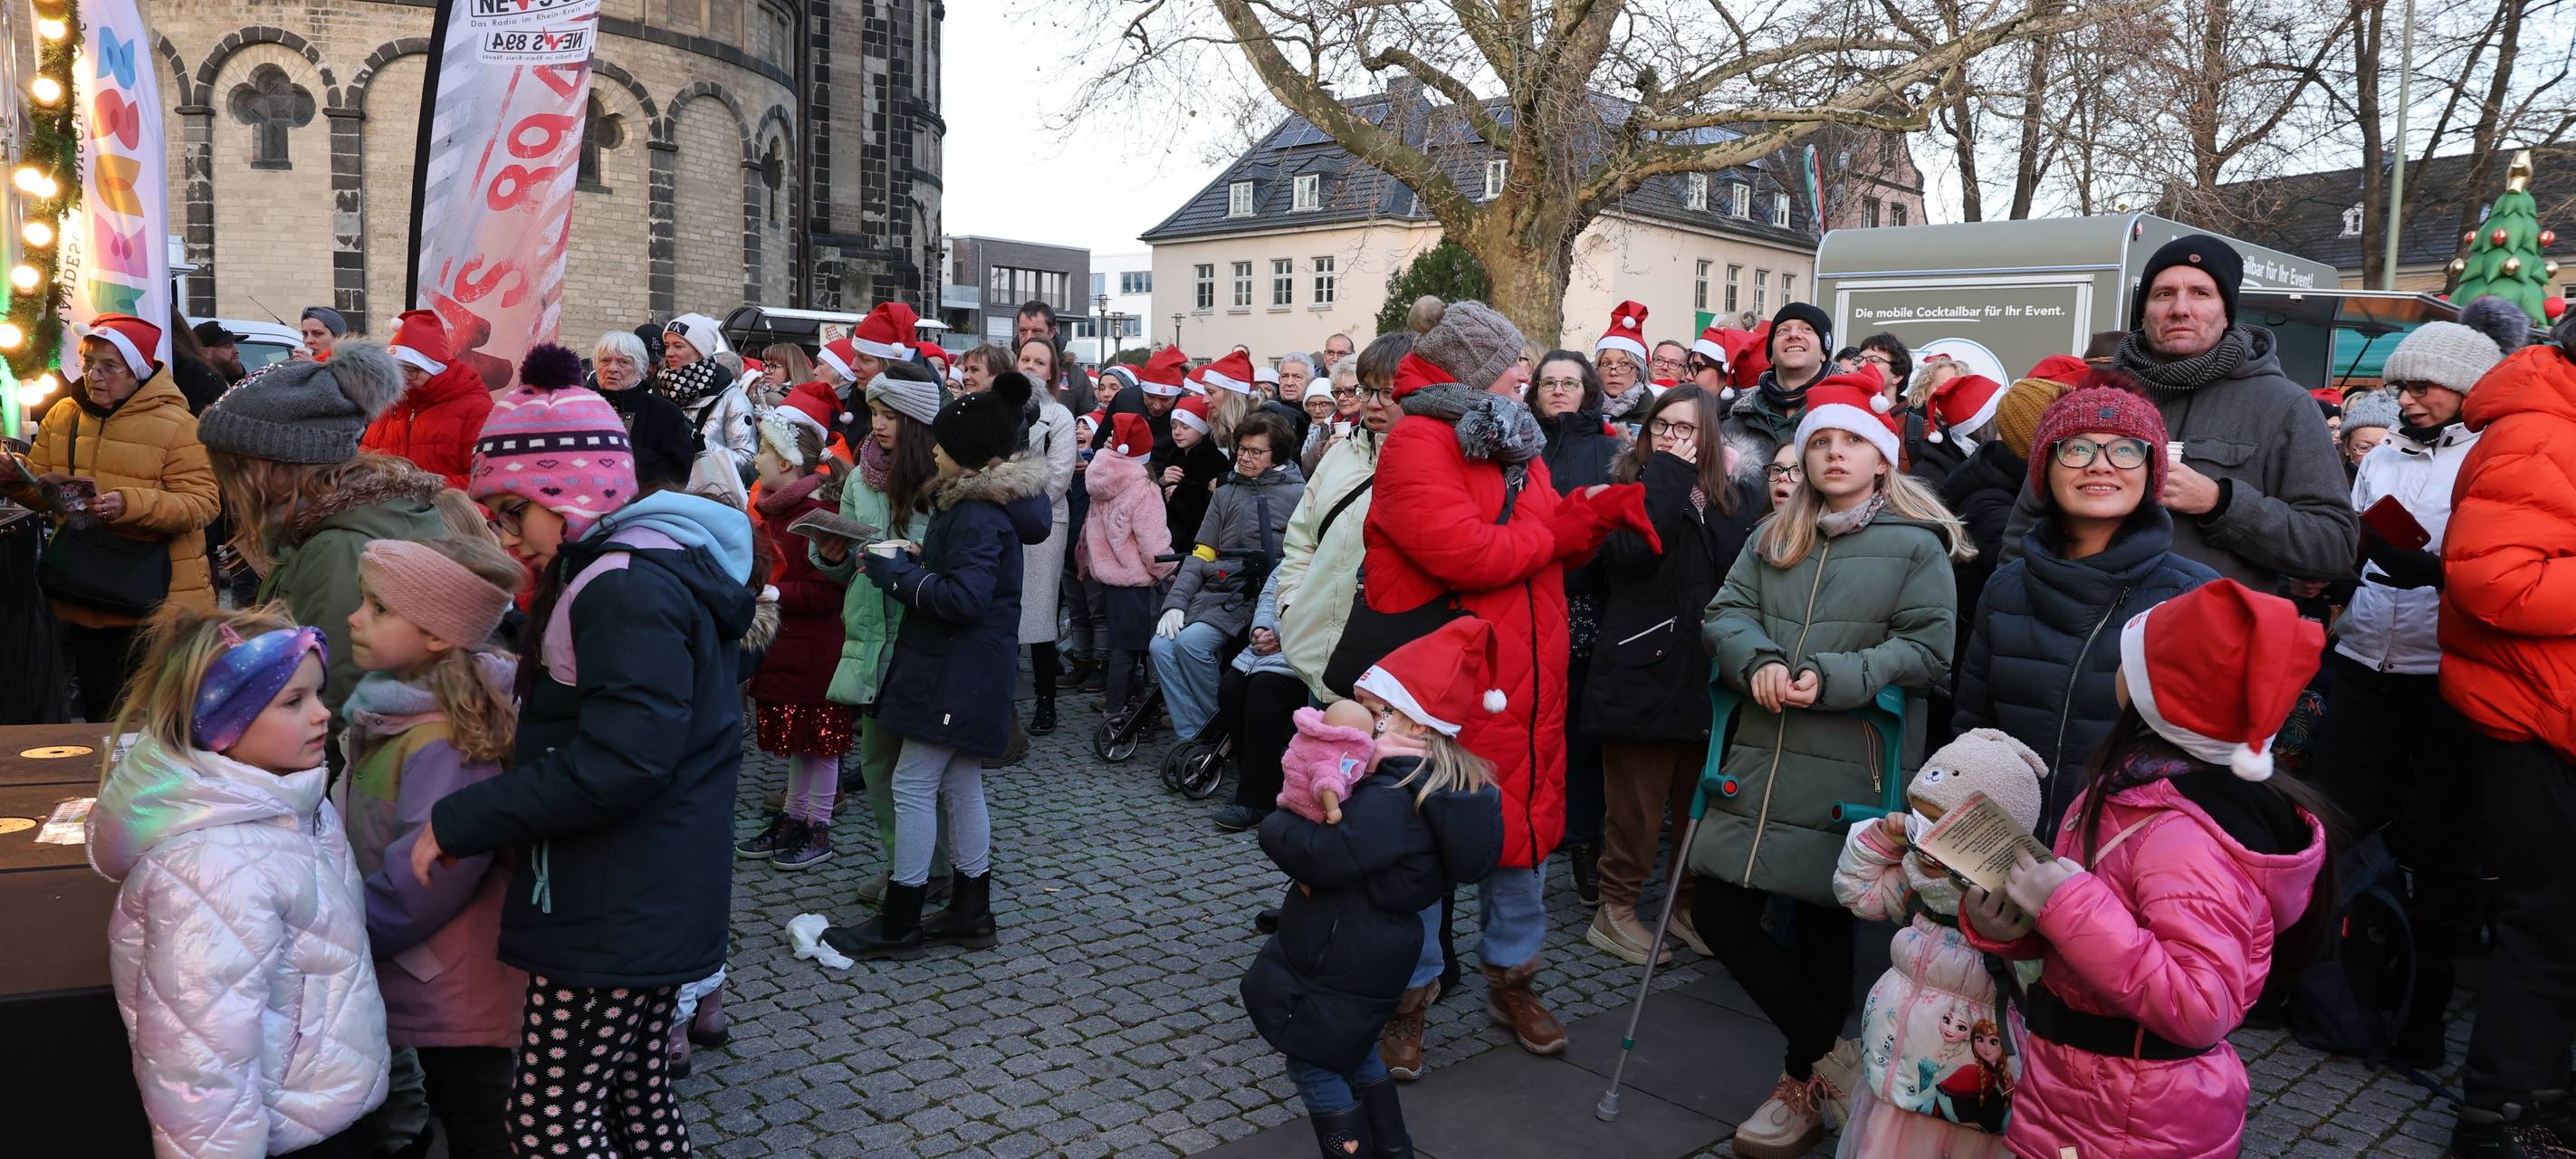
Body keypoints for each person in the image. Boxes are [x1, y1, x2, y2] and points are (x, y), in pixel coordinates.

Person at [415, 349, 755, 1154]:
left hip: (614, 903)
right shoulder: (642, 566)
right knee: (636, 1100)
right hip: (646, 891)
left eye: (511, 513)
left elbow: (621, 760)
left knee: (547, 1122)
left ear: (566, 493)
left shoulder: (619, 586)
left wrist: (461, 820)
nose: (504, 535)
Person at [1364, 297, 1653, 1066]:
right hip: (1450, 687)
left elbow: (1545, 535)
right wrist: (1553, 531)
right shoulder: (1420, 442)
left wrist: (1594, 511)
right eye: (1510, 364)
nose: (1527, 375)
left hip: (1528, 677)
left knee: (1519, 844)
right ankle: (1408, 1002)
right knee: (1423, 848)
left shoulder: (1510, 439)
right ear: (1470, 367)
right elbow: (1467, 555)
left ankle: (1512, 980)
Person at [1690, 374, 1968, 1158]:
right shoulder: (1774, 533)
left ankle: (1798, 1083)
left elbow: (1926, 649)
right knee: (1719, 910)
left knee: (1818, 925)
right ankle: (1834, 1061)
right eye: (1819, 442)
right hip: (1758, 755)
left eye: (1850, 441)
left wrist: (1836, 676)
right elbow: (1725, 614)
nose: (1833, 453)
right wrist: (1758, 662)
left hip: (1850, 759)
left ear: (1882, 459)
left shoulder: (1916, 546)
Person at [1960, 580, 2329, 1159]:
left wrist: (2065, 904)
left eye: (2132, 658)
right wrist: (2018, 926)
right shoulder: (2136, 787)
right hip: (2085, 1086)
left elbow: (2201, 1005)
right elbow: (2110, 939)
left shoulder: (2183, 835)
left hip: (2133, 1111)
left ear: (2160, 692)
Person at [2305, 298, 2519, 1073]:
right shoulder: (2382, 456)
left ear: (2468, 390)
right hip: (2363, 665)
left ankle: (2422, 1015)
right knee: (2328, 831)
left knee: (2441, 856)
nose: (2408, 398)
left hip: (2443, 682)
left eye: (2427, 386)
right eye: (2403, 385)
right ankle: (2330, 991)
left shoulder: (2489, 457)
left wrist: (2435, 573)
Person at [91, 607, 389, 1159]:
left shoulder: (294, 808)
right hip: (282, 1135)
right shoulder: (210, 864)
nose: (324, 715)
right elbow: (198, 1062)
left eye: (318, 695)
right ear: (225, 722)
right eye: (293, 701)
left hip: (320, 1110)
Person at [1241, 617, 1507, 1158]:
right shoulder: (1426, 785)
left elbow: (1323, 858)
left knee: (1314, 1063)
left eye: (1379, 711)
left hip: (1344, 949)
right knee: (1356, 1052)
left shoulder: (1391, 795)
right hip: (1371, 945)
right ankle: (1393, 1149)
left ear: (1418, 725)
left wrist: (1277, 819)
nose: (1365, 719)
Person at [824, 372, 1049, 960]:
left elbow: (965, 600)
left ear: (968, 457)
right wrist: (926, 556)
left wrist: (899, 575)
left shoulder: (975, 512)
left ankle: (901, 921)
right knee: (959, 782)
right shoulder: (981, 506)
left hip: (956, 670)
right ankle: (971, 911)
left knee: (913, 783)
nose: (937, 453)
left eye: (945, 447)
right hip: (971, 670)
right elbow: (972, 579)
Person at [2000, 235, 2358, 592]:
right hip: (2079, 634)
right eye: (2164, 294)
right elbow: (2027, 526)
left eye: (2201, 294)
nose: (2180, 309)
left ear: (2226, 312)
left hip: (2209, 640)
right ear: (2144, 311)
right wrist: (2013, 606)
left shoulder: (2284, 406)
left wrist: (2222, 504)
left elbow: (2333, 546)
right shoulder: (2093, 398)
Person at [1949, 384, 2217, 837]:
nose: (2100, 464)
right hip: (2006, 860)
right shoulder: (2006, 589)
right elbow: (1973, 735)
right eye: (2076, 448)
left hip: (2125, 867)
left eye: (2125, 450)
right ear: (2044, 469)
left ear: (2152, 469)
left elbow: (2206, 770)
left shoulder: (2194, 598)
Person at [2437, 316, 2576, 1158]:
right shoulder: (2537, 429)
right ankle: (2498, 1120)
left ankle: (2541, 1103)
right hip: (2535, 722)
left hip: (2551, 713)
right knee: (2549, 929)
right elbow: (2496, 582)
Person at [340, 536, 524, 1159]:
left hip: (450, 977)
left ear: (438, 635)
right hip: (419, 964)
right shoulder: (389, 713)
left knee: (478, 1124)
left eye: (378, 608)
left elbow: (430, 880)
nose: (353, 617)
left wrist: (349, 934)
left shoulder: (444, 742)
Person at [1584, 385, 1762, 965]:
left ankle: (1685, 907)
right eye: (1663, 425)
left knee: (1696, 807)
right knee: (1635, 807)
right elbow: (1634, 555)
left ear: (1709, 436)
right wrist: (1665, 475)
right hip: (1641, 669)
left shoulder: (1733, 499)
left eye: (1687, 429)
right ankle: (1616, 910)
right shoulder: (1626, 489)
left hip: (1705, 676)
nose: (1673, 437)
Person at [198, 340, 444, 725]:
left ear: (274, 465)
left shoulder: (338, 547)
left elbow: (334, 690)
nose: (228, 484)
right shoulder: (332, 524)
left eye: (235, 467)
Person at [1832, 730, 2050, 1157]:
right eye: (1919, 820)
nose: (1925, 840)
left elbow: (2040, 980)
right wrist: (1880, 840)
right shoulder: (1917, 886)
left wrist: (2018, 928)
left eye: (1943, 830)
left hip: (1971, 1106)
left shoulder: (2013, 912)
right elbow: (1859, 893)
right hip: (1896, 1084)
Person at [1, 313, 217, 721]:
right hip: (87, 594)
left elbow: (202, 504)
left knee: (159, 719)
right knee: (103, 714)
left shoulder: (178, 426)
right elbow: (43, 493)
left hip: (159, 601)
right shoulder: (64, 415)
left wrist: (128, 503)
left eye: (109, 367)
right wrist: (17, 478)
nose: (94, 376)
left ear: (136, 371)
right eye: (88, 364)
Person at [813, 361, 953, 907]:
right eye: (873, 412)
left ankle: (933, 870)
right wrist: (829, 555)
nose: (878, 424)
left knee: (920, 769)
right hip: (869, 634)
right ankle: (902, 865)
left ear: (916, 420)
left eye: (890, 414)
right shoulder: (861, 476)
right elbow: (847, 564)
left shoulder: (942, 480)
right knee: (876, 763)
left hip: (918, 635)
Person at [734, 386, 857, 870]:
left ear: (786, 462)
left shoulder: (814, 516)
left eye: (764, 451)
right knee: (800, 744)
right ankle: (792, 818)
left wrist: (773, 594)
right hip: (790, 647)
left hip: (816, 650)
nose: (758, 459)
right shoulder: (778, 510)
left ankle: (817, 827)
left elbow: (828, 590)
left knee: (820, 745)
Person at [1527, 349, 1623, 905]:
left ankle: (1586, 843)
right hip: (1524, 603)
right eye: (1549, 382)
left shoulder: (1613, 452)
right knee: (1528, 726)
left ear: (1589, 390)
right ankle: (1525, 842)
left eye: (1571, 382)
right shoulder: (1516, 450)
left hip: (1588, 606)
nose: (1560, 391)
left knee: (1582, 736)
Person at [1153, 410, 1307, 746]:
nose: (1245, 458)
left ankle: (1224, 727)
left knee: (1192, 645)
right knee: (1160, 646)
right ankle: (1196, 734)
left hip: (1256, 595)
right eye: (1241, 449)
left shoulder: (1300, 495)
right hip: (1215, 591)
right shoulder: (1226, 492)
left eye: (1255, 452)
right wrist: (1175, 604)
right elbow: (1203, 552)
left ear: (1277, 454)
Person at [1279, 331, 1407, 705]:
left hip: (1384, 670)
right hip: (1316, 649)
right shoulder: (1339, 455)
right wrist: (1291, 605)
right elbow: (1301, 537)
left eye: (1387, 392)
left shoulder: (1430, 465)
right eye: (1366, 391)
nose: (1372, 403)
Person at [1937, 363, 2081, 682]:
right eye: (2072, 441)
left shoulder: (2004, 479)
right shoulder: (1986, 497)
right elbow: (2020, 562)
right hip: (1996, 657)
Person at [1080, 412, 1175, 723]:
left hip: (1108, 577)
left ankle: (1123, 703)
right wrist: (1169, 571)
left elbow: (1089, 527)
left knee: (1121, 645)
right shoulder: (1143, 488)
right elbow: (1153, 542)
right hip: (1138, 579)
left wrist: (1086, 562)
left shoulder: (1099, 477)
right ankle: (1121, 710)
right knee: (1134, 648)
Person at [1012, 336, 1082, 735]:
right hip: (1002, 517)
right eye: (1026, 359)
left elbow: (1058, 475)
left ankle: (1045, 699)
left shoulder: (1059, 416)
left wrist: (1018, 496)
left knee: (1038, 614)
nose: (1031, 367)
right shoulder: (1001, 411)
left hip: (1044, 519)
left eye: (1040, 362)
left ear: (1053, 372)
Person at [360, 310, 493, 491]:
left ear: (434, 369)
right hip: (390, 513)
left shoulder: (476, 409)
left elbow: (484, 480)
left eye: (410, 370)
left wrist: (417, 488)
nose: (401, 379)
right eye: (395, 371)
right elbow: (365, 462)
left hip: (447, 516)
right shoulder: (389, 406)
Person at [1720, 302, 1835, 483]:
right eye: (1783, 330)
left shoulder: (1848, 414)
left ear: (1824, 351)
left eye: (1807, 329)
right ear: (1771, 356)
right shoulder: (1737, 422)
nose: (1794, 335)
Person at [590, 329, 695, 493]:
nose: (612, 368)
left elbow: (677, 474)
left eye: (623, 362)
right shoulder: (580, 407)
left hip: (642, 509)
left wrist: (625, 458)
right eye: (605, 361)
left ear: (640, 369)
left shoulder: (664, 413)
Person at [658, 311, 757, 481]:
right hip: (665, 492)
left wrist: (700, 443)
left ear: (700, 352)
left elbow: (748, 465)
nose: (669, 353)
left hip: (708, 497)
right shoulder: (662, 388)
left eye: (678, 346)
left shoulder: (732, 397)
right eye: (667, 345)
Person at [1161, 393, 1228, 551]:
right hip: (1171, 534)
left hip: (1197, 539)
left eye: (1185, 427)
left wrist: (1181, 492)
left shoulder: (1214, 459)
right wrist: (1162, 481)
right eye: (1174, 426)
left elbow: (1209, 500)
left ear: (1201, 430)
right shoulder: (1173, 456)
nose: (1177, 432)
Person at [1591, 300, 1659, 427]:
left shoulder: (1655, 416)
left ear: (1638, 372)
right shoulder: (1580, 409)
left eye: (1624, 365)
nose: (1613, 372)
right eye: (1605, 364)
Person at [1015, 299, 1092, 399]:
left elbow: (1089, 413)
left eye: (1036, 331)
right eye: (1023, 331)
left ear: (1051, 332)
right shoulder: (1003, 369)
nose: (1029, 337)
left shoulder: (1076, 377)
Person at [163, 307, 231, 415]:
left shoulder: (193, 369)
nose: (236, 351)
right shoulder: (195, 369)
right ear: (205, 350)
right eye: (227, 346)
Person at [2338, 389, 2397, 473]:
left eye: (2387, 448)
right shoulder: (2329, 481)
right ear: (2346, 447)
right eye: (2364, 448)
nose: (2375, 457)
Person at [193, 319, 249, 384]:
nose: (236, 351)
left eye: (234, 345)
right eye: (227, 346)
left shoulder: (230, 373)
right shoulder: (199, 385)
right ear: (205, 352)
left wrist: (239, 375)